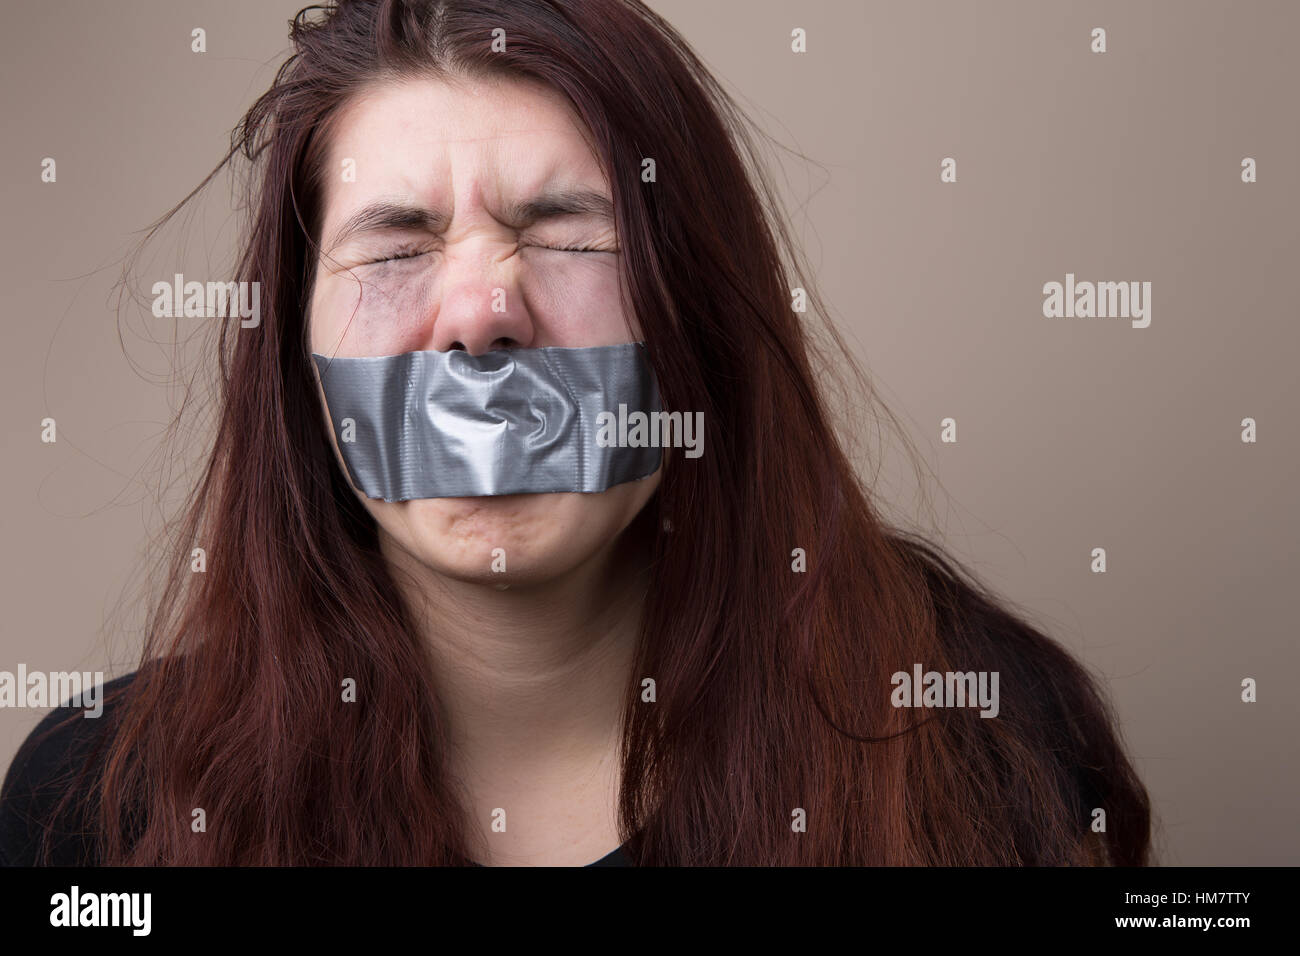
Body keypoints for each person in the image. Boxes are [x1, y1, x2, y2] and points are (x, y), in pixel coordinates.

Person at [0, 0, 1150, 867]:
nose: (483, 315)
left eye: (567, 235)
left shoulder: (984, 736)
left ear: (692, 308)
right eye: (396, 247)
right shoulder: (100, 808)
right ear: (294, 359)